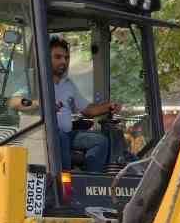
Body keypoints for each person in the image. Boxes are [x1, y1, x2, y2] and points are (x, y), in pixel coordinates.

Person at [10, 36, 120, 174]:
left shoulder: (68, 84)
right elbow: (14, 102)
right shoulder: (35, 82)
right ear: (45, 58)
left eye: (66, 58)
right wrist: (41, 104)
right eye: (58, 57)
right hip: (40, 136)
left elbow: (87, 110)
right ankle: (64, 182)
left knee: (100, 141)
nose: (64, 61)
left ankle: (89, 180)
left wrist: (109, 106)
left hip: (67, 135)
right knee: (59, 136)